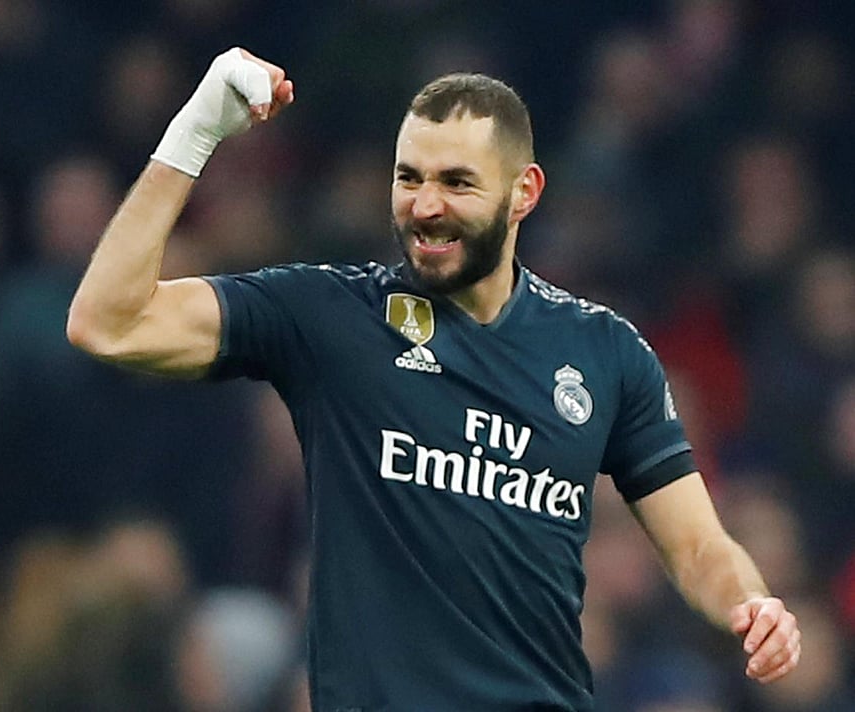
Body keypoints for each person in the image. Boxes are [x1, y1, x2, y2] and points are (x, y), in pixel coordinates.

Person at [66, 47, 801, 711]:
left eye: (456, 182)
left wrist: (752, 602)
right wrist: (195, 132)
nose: (425, 206)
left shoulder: (607, 353)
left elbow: (698, 547)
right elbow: (110, 321)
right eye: (408, 178)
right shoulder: (330, 317)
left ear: (525, 192)